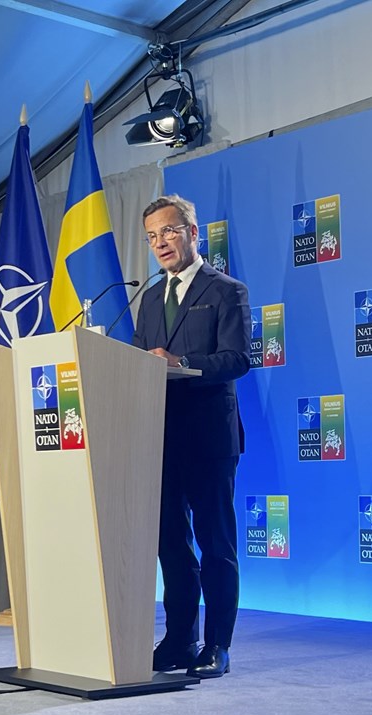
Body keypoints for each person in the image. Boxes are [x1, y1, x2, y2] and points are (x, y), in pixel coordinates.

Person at [132, 195, 251, 679]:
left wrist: (182, 363)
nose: (160, 243)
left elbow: (238, 359)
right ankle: (181, 638)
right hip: (160, 438)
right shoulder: (148, 299)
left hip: (209, 438)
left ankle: (218, 644)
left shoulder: (225, 291)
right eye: (152, 237)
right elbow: (138, 361)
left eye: (168, 231)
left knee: (215, 544)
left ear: (192, 233)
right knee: (171, 545)